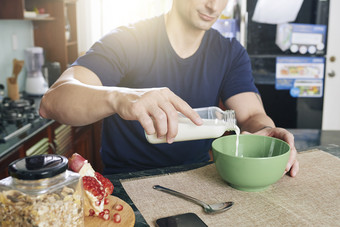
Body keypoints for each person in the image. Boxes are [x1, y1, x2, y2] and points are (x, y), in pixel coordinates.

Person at [39, 0, 299, 176]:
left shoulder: (229, 53)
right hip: (128, 179)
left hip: (198, 177)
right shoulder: (129, 40)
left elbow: (251, 116)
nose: (214, 5)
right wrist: (121, 98)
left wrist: (266, 130)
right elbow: (52, 101)